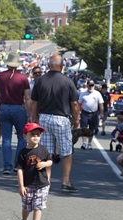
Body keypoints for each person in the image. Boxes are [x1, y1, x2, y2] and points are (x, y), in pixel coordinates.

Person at [31, 54, 80, 192]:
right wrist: (76, 119)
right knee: (66, 151)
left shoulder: (40, 81)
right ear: (62, 66)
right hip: (61, 118)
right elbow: (75, 103)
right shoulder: (68, 81)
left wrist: (35, 117)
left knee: (46, 152)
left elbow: (34, 102)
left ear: (48, 66)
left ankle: (45, 181)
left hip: (44, 117)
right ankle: (65, 181)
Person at [0, 52, 31, 175]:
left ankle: (7, 166)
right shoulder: (23, 78)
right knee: (21, 137)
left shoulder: (0, 76)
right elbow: (27, 97)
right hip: (18, 108)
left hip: (4, 108)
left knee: (6, 139)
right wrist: (29, 113)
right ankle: (17, 164)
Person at [16, 123, 53, 220]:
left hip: (42, 184)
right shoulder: (22, 153)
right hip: (28, 185)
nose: (36, 137)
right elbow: (20, 170)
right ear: (25, 136)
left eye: (38, 134)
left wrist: (45, 163)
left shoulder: (43, 150)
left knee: (38, 206)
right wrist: (21, 186)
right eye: (32, 135)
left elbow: (50, 162)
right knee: (27, 207)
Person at [79, 80, 104, 150]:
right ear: (87, 86)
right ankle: (84, 143)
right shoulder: (83, 94)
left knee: (91, 129)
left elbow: (101, 104)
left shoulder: (97, 93)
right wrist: (78, 113)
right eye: (89, 85)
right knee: (83, 128)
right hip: (85, 112)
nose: (91, 87)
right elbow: (79, 104)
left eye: (92, 85)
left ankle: (89, 143)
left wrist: (101, 113)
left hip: (94, 113)